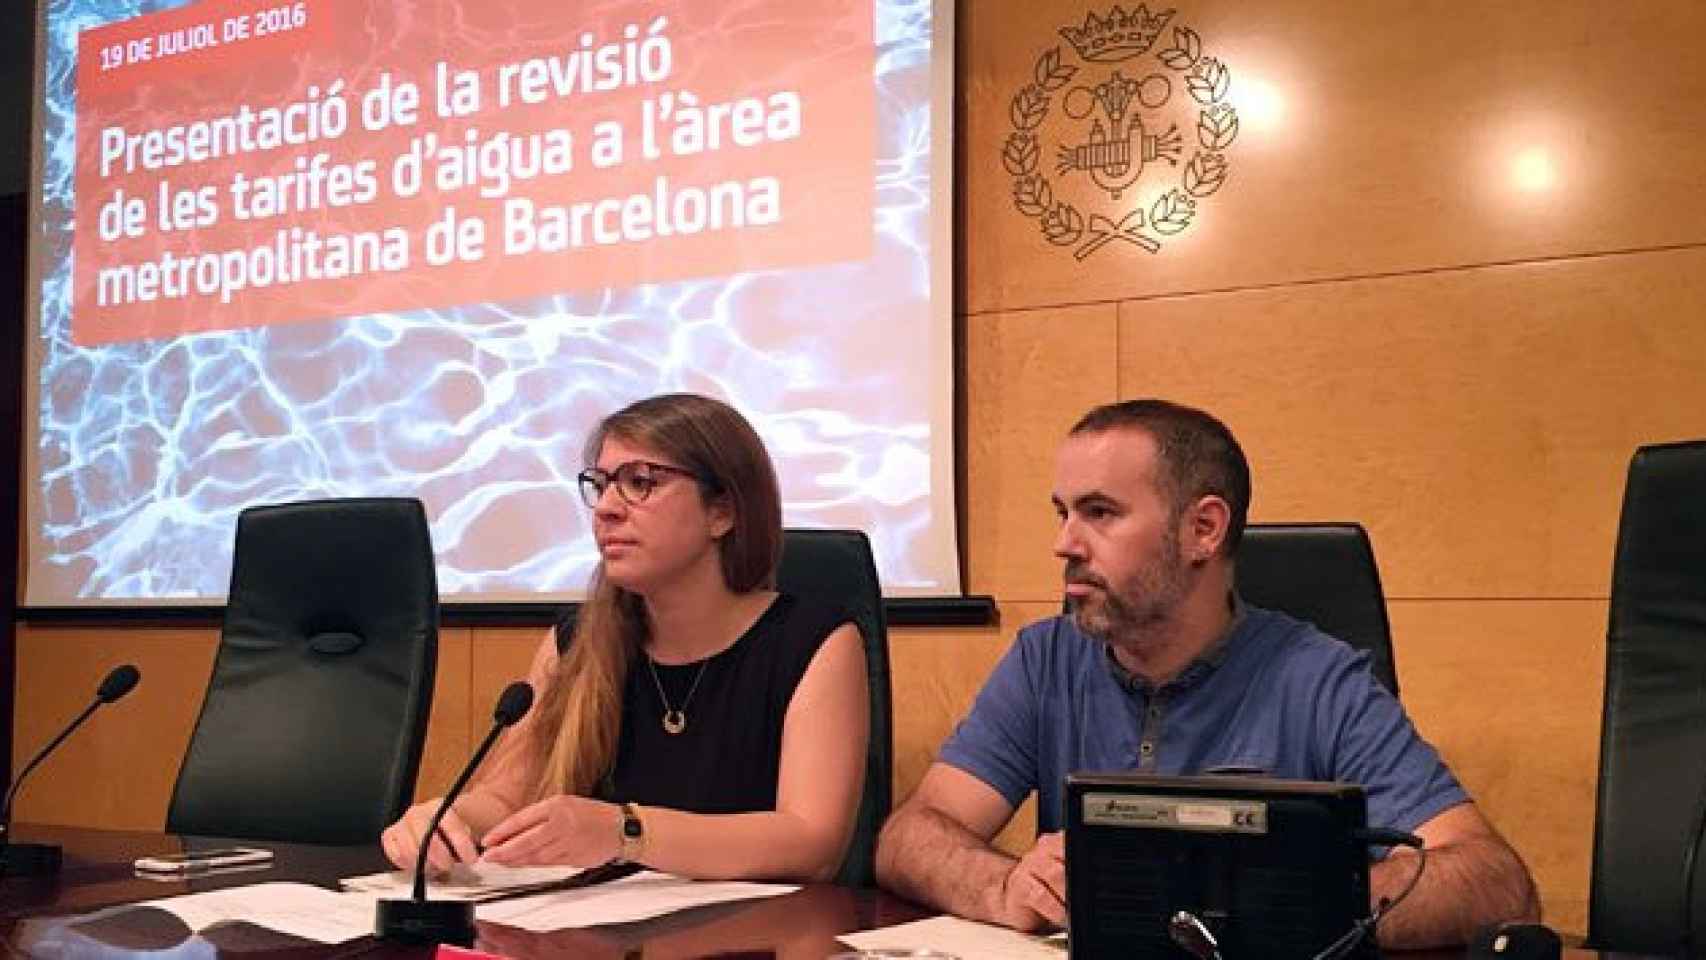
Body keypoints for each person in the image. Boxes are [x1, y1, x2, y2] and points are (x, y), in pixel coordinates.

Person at [874, 398, 1540, 949]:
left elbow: (1493, 879)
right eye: (1062, 511)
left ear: (1204, 530)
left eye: (1099, 512)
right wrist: (1006, 885)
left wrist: (1283, 897)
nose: (1064, 543)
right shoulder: (1045, 659)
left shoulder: (1318, 678)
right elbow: (912, 833)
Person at [382, 393, 869, 882]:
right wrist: (449, 820)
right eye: (600, 484)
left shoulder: (812, 640)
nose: (607, 510)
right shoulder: (575, 642)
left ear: (723, 511)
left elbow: (812, 842)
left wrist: (627, 832)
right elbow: (508, 796)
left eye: (640, 483)